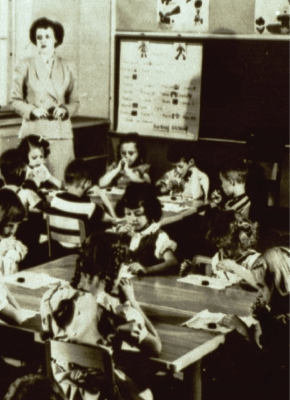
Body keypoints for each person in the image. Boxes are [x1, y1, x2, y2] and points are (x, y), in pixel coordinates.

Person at [40, 231, 161, 400]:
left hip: (63, 390)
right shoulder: (114, 311)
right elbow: (156, 347)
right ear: (115, 269)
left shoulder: (51, 297)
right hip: (102, 394)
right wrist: (133, 303)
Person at [204, 247, 290, 400]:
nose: (259, 293)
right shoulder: (282, 308)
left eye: (262, 287)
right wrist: (263, 314)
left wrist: (243, 331)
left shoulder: (284, 321)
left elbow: (265, 368)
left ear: (276, 283)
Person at [10, 17, 79, 181]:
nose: (43, 41)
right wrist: (32, 110)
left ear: (56, 39)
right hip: (35, 135)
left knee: (60, 183)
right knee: (34, 186)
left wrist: (65, 109)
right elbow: (14, 100)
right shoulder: (25, 64)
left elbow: (75, 102)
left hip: (61, 135)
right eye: (39, 37)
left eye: (47, 36)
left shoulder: (68, 65)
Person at [180, 210, 260, 287]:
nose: (222, 252)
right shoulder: (218, 257)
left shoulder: (253, 259)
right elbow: (214, 283)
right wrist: (192, 273)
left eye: (227, 247)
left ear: (242, 241)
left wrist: (234, 267)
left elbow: (261, 284)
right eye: (220, 248)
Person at [114, 182, 178, 275]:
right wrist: (117, 237)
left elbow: (172, 262)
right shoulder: (123, 231)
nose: (133, 219)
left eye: (138, 214)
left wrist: (147, 270)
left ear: (149, 212)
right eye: (128, 213)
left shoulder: (158, 236)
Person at [48, 159, 104, 254]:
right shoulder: (89, 207)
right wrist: (102, 195)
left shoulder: (55, 200)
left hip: (59, 251)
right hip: (81, 253)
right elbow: (114, 219)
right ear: (86, 183)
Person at [0, 189, 27, 276]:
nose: (14, 230)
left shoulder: (6, 236)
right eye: (10, 225)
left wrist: (18, 252)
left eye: (17, 225)